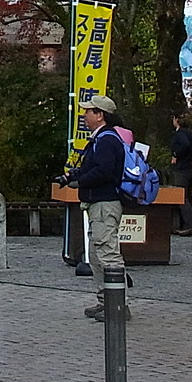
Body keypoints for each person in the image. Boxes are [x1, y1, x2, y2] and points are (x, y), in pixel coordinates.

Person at [65, 94, 127, 320]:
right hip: (97, 204)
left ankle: (118, 305)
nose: (84, 115)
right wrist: (72, 176)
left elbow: (103, 171)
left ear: (100, 115)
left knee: (108, 253)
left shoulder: (107, 140)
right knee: (97, 254)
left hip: (105, 203)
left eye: (88, 111)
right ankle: (105, 300)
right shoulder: (100, 139)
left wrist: (80, 181)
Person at [169, 112, 192, 236]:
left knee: (180, 196)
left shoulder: (180, 133)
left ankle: (191, 224)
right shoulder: (190, 133)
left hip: (182, 169)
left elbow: (185, 145)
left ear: (177, 120)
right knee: (188, 196)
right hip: (190, 167)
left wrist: (176, 154)